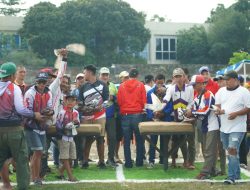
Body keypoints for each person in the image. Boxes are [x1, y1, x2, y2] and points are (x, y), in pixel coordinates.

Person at [0, 62, 42, 190]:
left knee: (1, 159)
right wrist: (34, 114)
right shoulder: (14, 88)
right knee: (21, 160)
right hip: (14, 130)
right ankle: (23, 187)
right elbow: (21, 110)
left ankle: (6, 185)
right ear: (13, 75)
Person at [215, 70, 250, 184]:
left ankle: (231, 177)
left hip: (238, 127)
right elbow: (218, 105)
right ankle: (237, 177)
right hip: (224, 127)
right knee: (230, 152)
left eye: (228, 79)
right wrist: (218, 111)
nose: (226, 81)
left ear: (235, 80)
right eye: (225, 79)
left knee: (232, 150)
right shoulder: (221, 91)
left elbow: (248, 108)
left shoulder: (244, 91)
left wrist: (236, 114)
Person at [24, 72, 54, 185]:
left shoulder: (48, 93)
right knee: (37, 152)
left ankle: (36, 177)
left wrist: (49, 112)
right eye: (40, 81)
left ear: (46, 82)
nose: (42, 84)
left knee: (40, 153)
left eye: (44, 82)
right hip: (31, 126)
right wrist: (39, 115)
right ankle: (35, 177)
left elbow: (50, 107)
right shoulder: (30, 93)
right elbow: (27, 111)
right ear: (36, 82)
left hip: (42, 126)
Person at [188, 75, 220, 179]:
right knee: (207, 150)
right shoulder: (197, 96)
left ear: (201, 84)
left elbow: (205, 111)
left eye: (194, 85)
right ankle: (213, 170)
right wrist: (188, 113)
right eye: (192, 85)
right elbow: (195, 109)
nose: (193, 87)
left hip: (212, 125)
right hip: (204, 125)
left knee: (209, 150)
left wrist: (192, 112)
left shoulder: (208, 94)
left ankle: (205, 173)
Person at [78, 64, 109, 169]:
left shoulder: (103, 85)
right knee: (87, 138)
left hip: (100, 116)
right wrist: (83, 108)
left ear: (90, 73)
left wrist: (100, 107)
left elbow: (107, 100)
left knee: (100, 139)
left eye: (85, 72)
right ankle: (85, 161)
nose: (83, 74)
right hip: (87, 116)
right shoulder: (83, 87)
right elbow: (79, 103)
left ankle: (101, 162)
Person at [163, 68, 194, 169]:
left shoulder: (190, 88)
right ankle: (173, 161)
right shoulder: (171, 88)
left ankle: (188, 162)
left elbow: (191, 101)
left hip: (188, 118)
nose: (178, 79)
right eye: (176, 77)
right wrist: (160, 107)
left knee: (187, 141)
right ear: (173, 78)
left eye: (180, 76)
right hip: (176, 118)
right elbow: (166, 99)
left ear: (184, 77)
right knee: (176, 140)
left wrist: (188, 110)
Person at [117, 68, 146, 168]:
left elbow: (119, 101)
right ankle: (139, 162)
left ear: (129, 76)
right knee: (139, 139)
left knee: (126, 140)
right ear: (137, 76)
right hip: (137, 115)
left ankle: (128, 163)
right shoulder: (141, 85)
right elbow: (143, 101)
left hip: (125, 115)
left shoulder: (122, 85)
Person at [146, 74, 173, 167]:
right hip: (154, 119)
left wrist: (163, 113)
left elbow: (170, 106)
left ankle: (163, 160)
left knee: (164, 140)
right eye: (158, 83)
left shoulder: (169, 92)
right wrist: (153, 114)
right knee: (153, 140)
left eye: (162, 83)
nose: (160, 85)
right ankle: (151, 160)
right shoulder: (150, 93)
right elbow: (148, 107)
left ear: (164, 82)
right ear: (154, 82)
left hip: (165, 119)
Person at [56, 93, 79, 181]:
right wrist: (65, 127)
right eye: (68, 100)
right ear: (65, 101)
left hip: (71, 137)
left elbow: (78, 124)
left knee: (71, 157)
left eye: (72, 100)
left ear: (75, 102)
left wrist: (75, 124)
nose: (70, 102)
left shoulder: (76, 112)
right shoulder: (61, 112)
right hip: (63, 137)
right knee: (65, 157)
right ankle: (70, 176)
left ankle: (60, 172)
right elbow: (58, 125)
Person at [99, 67, 118, 167]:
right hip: (99, 115)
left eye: (106, 74)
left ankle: (110, 158)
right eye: (103, 74)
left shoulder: (113, 86)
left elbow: (117, 99)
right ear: (99, 75)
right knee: (99, 138)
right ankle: (101, 160)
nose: (105, 76)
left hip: (110, 116)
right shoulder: (96, 85)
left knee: (112, 137)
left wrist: (113, 97)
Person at [115, 71, 130, 164]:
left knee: (127, 137)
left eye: (127, 77)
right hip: (119, 115)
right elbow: (117, 101)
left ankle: (127, 157)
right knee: (118, 137)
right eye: (124, 77)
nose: (126, 79)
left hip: (128, 114)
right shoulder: (117, 87)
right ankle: (116, 155)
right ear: (121, 78)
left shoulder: (131, 87)